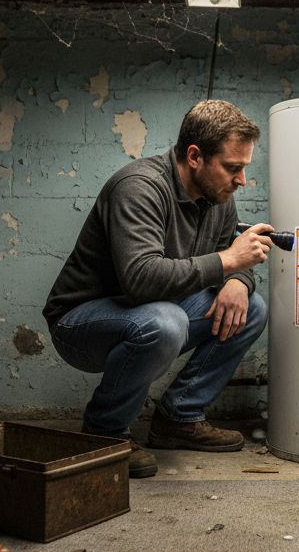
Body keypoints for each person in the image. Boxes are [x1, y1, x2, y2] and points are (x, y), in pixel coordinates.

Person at [43, 100, 274, 478]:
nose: (241, 180)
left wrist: (237, 280)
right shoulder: (139, 187)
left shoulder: (218, 199)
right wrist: (229, 263)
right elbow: (141, 280)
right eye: (232, 167)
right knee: (165, 322)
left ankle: (179, 418)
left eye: (243, 168)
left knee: (252, 308)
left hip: (156, 310)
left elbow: (229, 258)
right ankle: (104, 433)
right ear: (195, 156)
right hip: (80, 323)